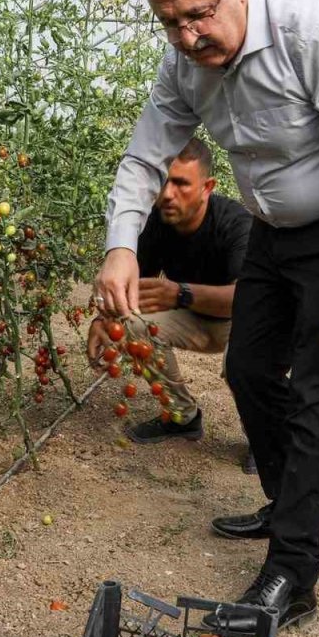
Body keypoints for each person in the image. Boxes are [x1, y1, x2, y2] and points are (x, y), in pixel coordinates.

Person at [93, 0, 319, 636]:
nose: (186, 37)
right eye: (168, 23)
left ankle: (293, 571)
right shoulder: (184, 62)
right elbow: (145, 155)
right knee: (247, 368)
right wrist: (121, 245)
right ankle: (283, 498)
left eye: (197, 16)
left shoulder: (311, 30)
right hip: (271, 230)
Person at [86, 138, 256, 471]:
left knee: (242, 365)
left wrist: (180, 293)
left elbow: (247, 299)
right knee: (133, 324)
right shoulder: (154, 222)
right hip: (194, 321)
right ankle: (182, 417)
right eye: (163, 181)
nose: (167, 194)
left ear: (207, 186)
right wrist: (100, 320)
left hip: (243, 321)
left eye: (180, 184)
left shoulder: (236, 224)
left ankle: (265, 437)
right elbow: (131, 291)